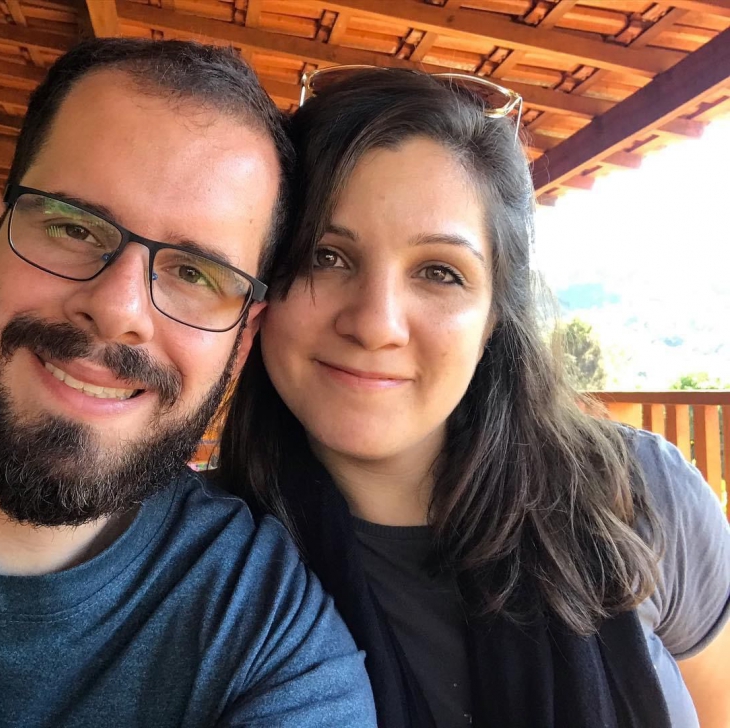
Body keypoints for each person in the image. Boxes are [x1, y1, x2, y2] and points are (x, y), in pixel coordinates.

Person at [0, 40, 378, 726]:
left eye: (194, 273)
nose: (117, 309)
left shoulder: (267, 640)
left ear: (243, 340)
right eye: (73, 227)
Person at [217, 67, 730, 728]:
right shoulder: (201, 563)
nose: (375, 323)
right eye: (326, 256)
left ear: (493, 318)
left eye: (440, 272)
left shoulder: (640, 496)